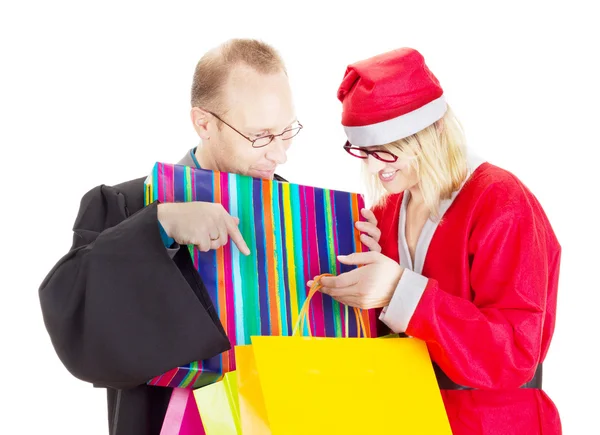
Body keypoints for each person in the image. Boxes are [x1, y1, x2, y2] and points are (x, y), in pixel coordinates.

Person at [39, 38, 302, 435]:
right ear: (204, 123)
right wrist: (159, 226)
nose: (280, 155)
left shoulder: (301, 215)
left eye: (287, 132)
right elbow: (73, 317)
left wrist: (364, 257)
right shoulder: (124, 204)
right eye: (261, 136)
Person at [312, 48, 561, 434]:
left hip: (494, 423)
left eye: (387, 152)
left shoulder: (502, 202)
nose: (375, 168)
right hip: (403, 416)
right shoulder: (386, 210)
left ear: (433, 132)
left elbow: (514, 353)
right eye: (363, 152)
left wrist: (398, 289)